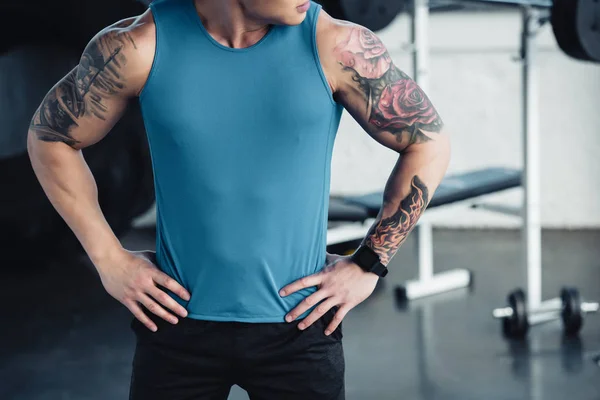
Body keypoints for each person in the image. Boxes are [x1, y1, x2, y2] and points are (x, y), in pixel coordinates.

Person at [26, 0, 450, 398]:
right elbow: (50, 140)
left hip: (299, 328)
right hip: (176, 326)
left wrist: (369, 263)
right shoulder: (138, 46)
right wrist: (108, 259)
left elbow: (428, 144)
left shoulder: (335, 46)